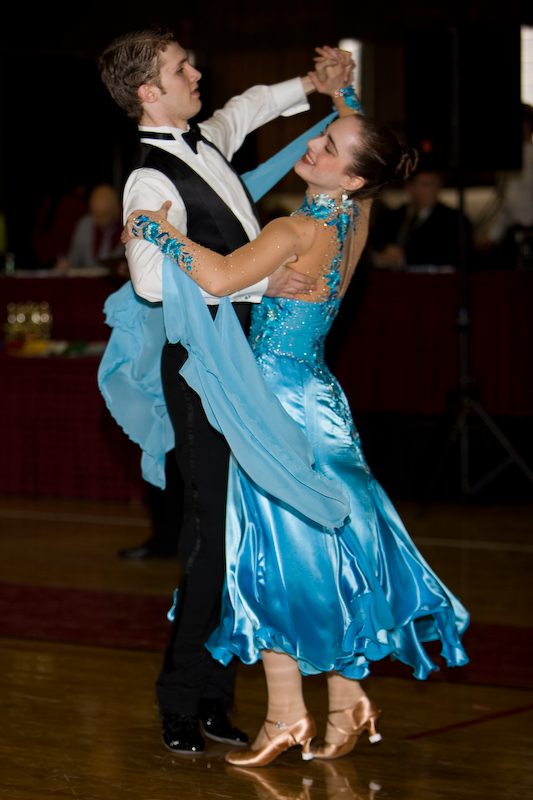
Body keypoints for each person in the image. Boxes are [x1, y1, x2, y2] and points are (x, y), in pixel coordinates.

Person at [122, 59, 469, 767]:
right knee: (329, 549)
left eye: (326, 146)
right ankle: (343, 699)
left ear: (351, 177)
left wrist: (158, 233)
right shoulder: (357, 217)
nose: (309, 144)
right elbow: (353, 142)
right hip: (321, 398)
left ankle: (288, 714)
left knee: (271, 559)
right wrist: (339, 94)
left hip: (271, 407)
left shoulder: (293, 229)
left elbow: (219, 275)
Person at [97, 27, 347, 755]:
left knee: (239, 538)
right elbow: (151, 282)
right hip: (202, 369)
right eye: (182, 69)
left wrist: (312, 86)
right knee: (210, 541)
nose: (196, 73)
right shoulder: (149, 181)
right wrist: (262, 281)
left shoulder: (205, 139)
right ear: (150, 91)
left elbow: (250, 105)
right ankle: (180, 701)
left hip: (245, 358)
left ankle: (214, 699)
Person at [370, 169, 472, 271]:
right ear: (410, 188)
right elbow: (377, 243)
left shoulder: (454, 219)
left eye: (437, 183)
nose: (434, 189)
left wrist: (404, 258)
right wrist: (386, 254)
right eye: (426, 185)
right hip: (389, 275)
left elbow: (453, 253)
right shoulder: (390, 217)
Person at [55, 184, 125, 271]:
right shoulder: (85, 225)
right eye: (94, 214)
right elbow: (73, 259)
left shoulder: (128, 227)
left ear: (116, 210)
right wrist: (65, 266)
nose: (97, 220)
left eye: (103, 215)